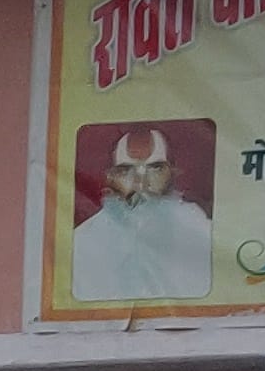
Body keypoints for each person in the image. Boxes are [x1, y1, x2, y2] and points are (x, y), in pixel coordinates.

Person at [69, 125, 216, 302]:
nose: (140, 184)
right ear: (110, 177)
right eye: (126, 171)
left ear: (172, 173)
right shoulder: (83, 241)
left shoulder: (201, 231)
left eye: (155, 168)